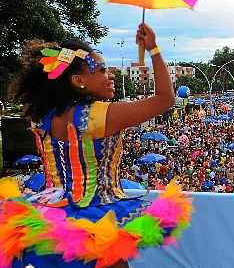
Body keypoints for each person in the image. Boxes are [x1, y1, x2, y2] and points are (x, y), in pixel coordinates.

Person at [2, 23, 192, 268]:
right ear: (79, 80)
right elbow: (165, 100)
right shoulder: (96, 116)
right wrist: (153, 49)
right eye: (102, 70)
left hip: (46, 219)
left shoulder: (41, 114)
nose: (110, 75)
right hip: (94, 219)